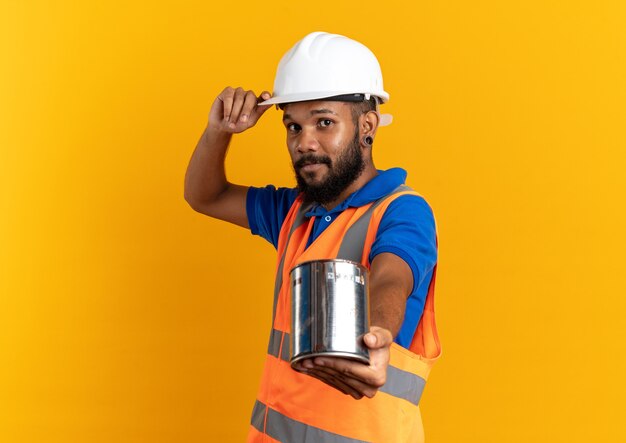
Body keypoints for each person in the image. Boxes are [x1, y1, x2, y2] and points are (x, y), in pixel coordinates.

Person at [185, 31, 441, 443]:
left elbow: (393, 277)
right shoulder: (294, 212)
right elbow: (204, 195)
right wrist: (220, 131)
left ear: (367, 126)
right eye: (292, 126)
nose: (304, 142)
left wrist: (377, 335)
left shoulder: (402, 210)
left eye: (324, 122)